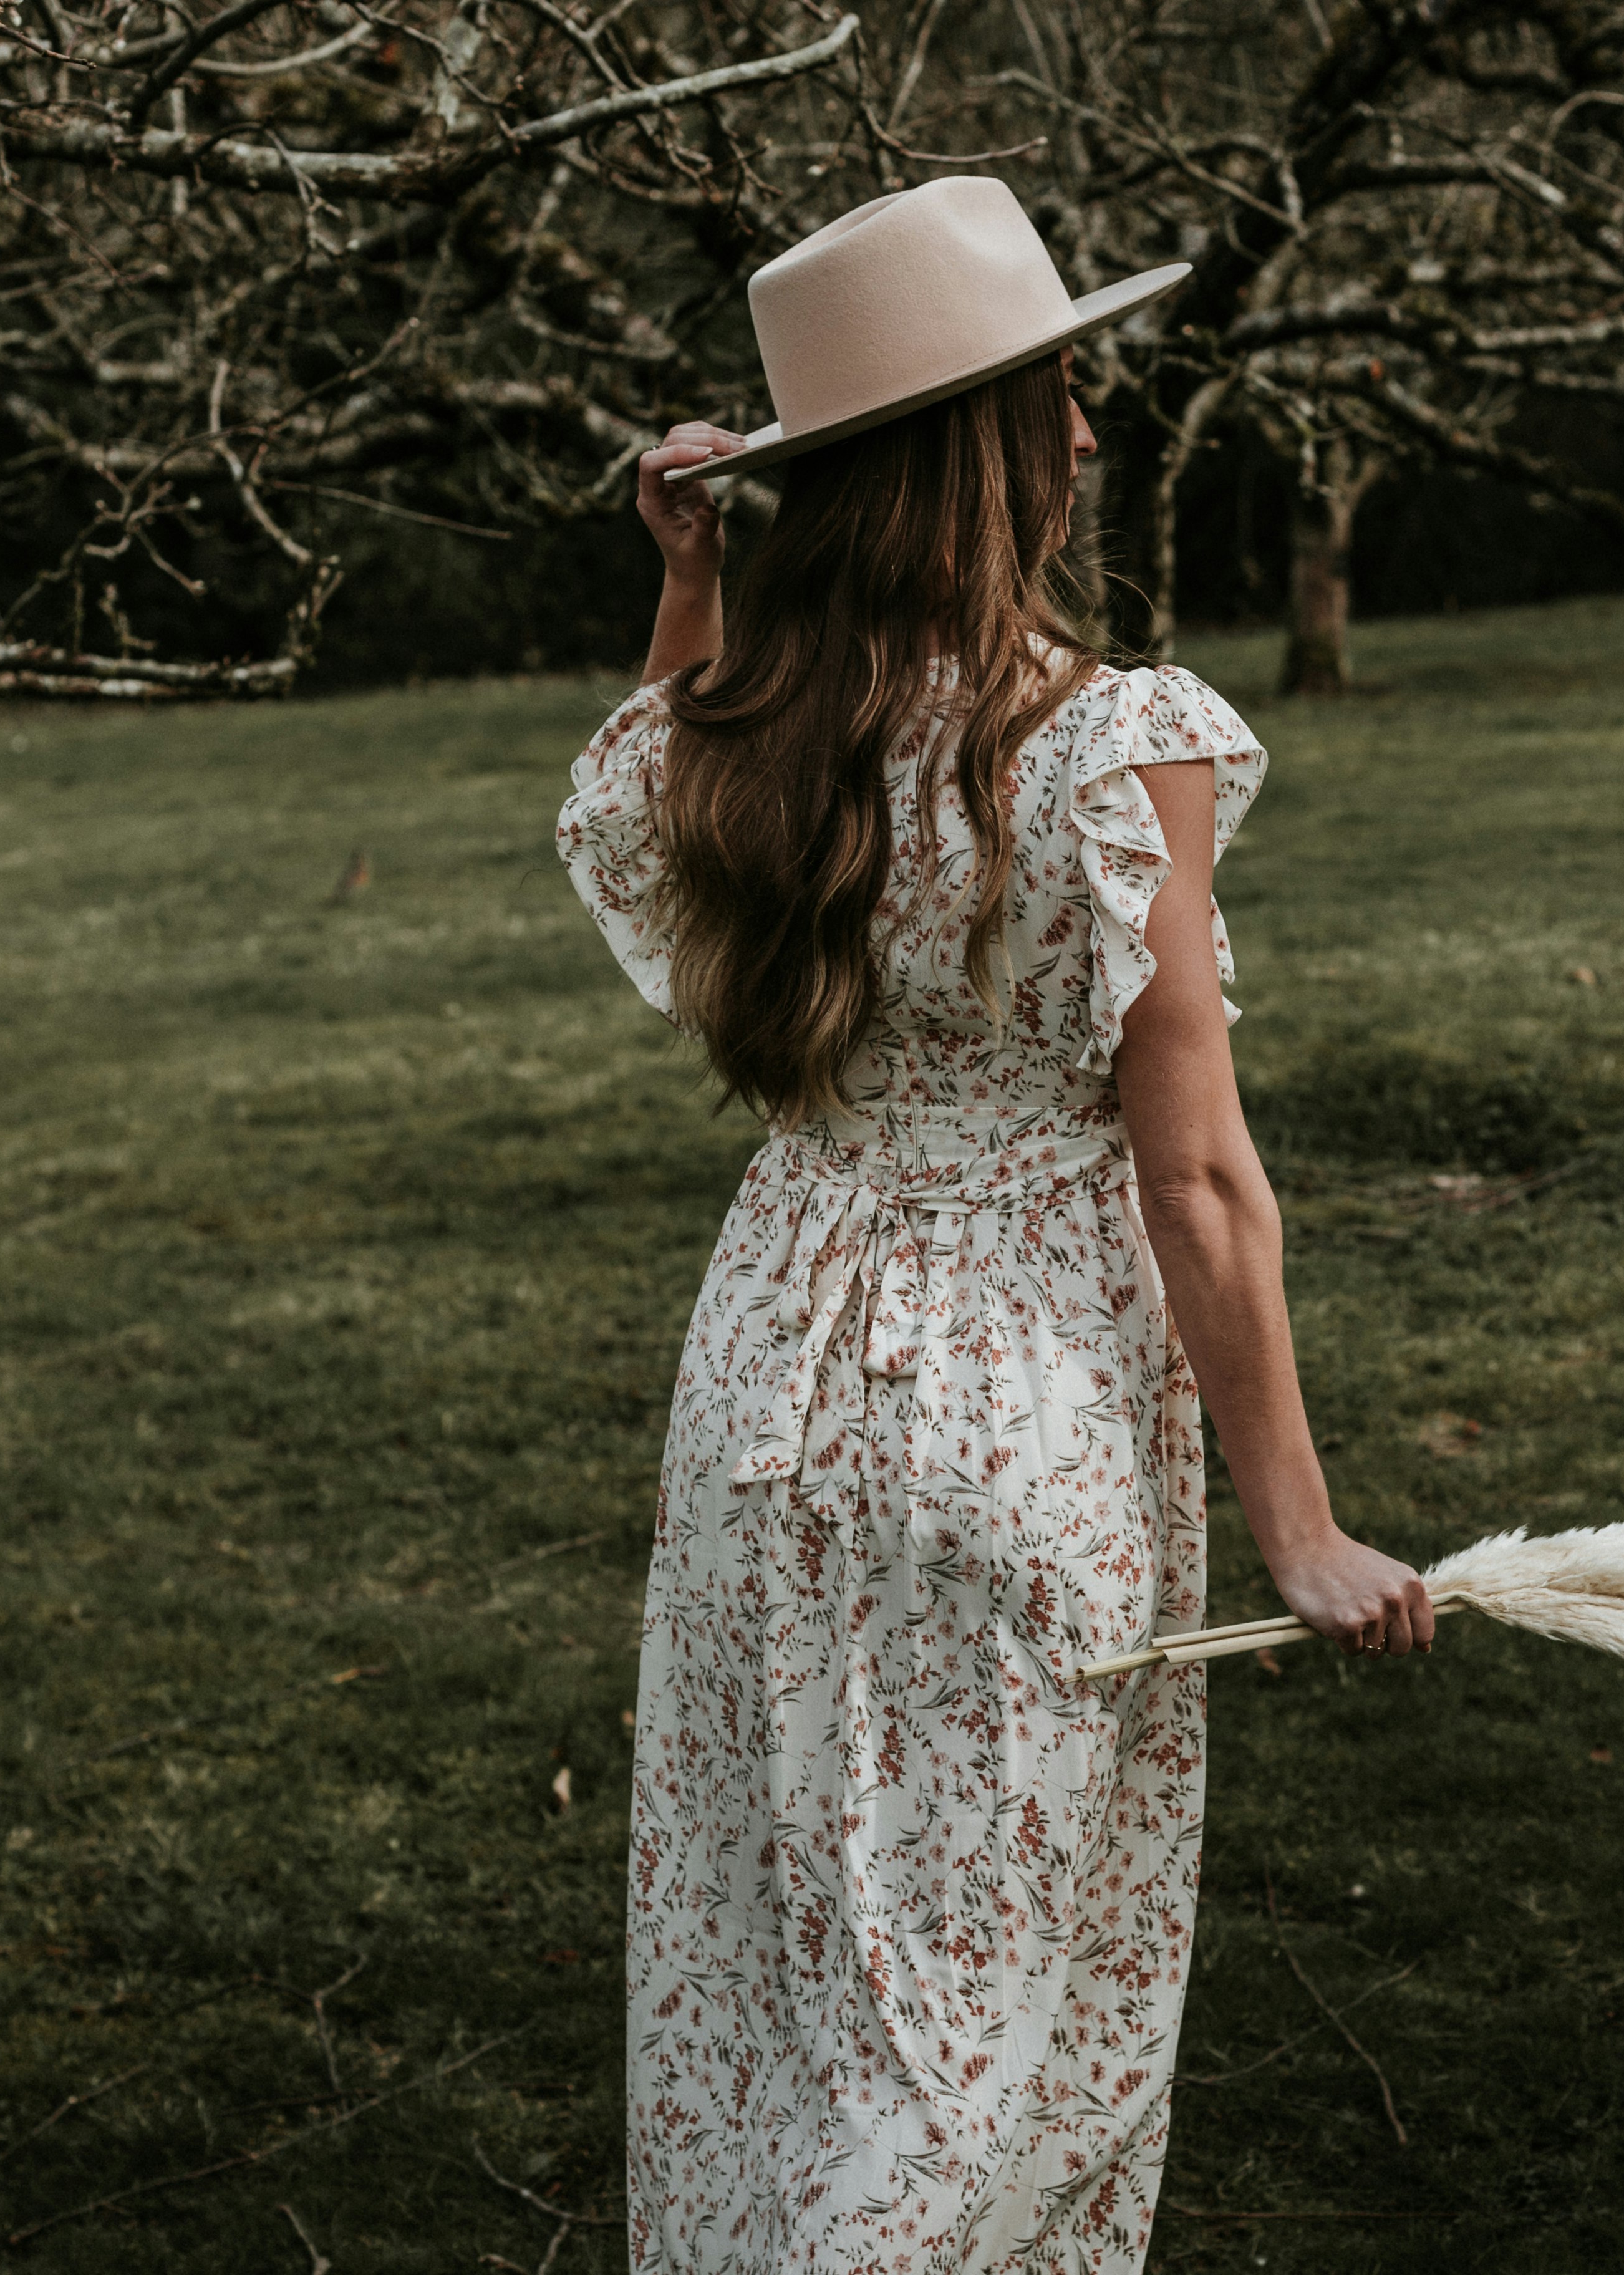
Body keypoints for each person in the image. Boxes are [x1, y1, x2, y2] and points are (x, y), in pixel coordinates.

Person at [556, 178, 1435, 2274]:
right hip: (1013, 1409)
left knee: (777, 1989)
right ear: (988, 451)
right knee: (979, 2037)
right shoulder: (1109, 747)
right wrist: (1300, 1529)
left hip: (773, 1375)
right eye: (1062, 399)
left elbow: (649, 842)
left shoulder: (749, 736)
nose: (1093, 438)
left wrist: (690, 583)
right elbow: (1198, 1171)